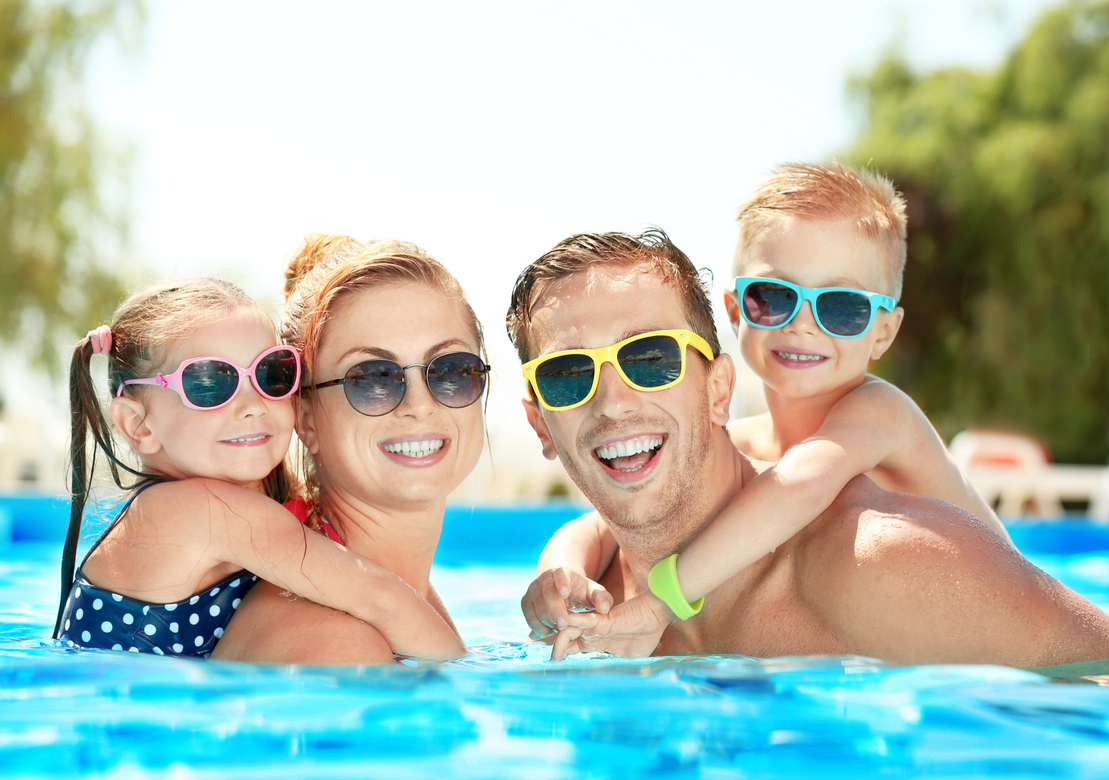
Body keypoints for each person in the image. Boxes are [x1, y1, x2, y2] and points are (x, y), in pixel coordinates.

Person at [507, 228, 1109, 666]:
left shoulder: (881, 567)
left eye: (651, 359)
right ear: (541, 427)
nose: (614, 403)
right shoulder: (584, 610)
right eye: (568, 376)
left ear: (718, 390)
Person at [525, 162, 1013, 647]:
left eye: (841, 306)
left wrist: (661, 602)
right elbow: (597, 527)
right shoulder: (743, 442)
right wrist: (561, 577)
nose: (802, 324)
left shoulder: (882, 414)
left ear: (884, 332)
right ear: (736, 310)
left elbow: (801, 486)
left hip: (997, 611)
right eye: (773, 297)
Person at [56, 277, 465, 659]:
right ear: (138, 424)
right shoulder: (203, 510)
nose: (253, 406)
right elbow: (378, 594)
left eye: (272, 374)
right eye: (211, 383)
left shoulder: (235, 505)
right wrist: (467, 678)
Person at [212, 235, 489, 664]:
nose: (419, 405)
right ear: (304, 419)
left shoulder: (404, 595)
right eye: (372, 378)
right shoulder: (338, 645)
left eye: (452, 370)